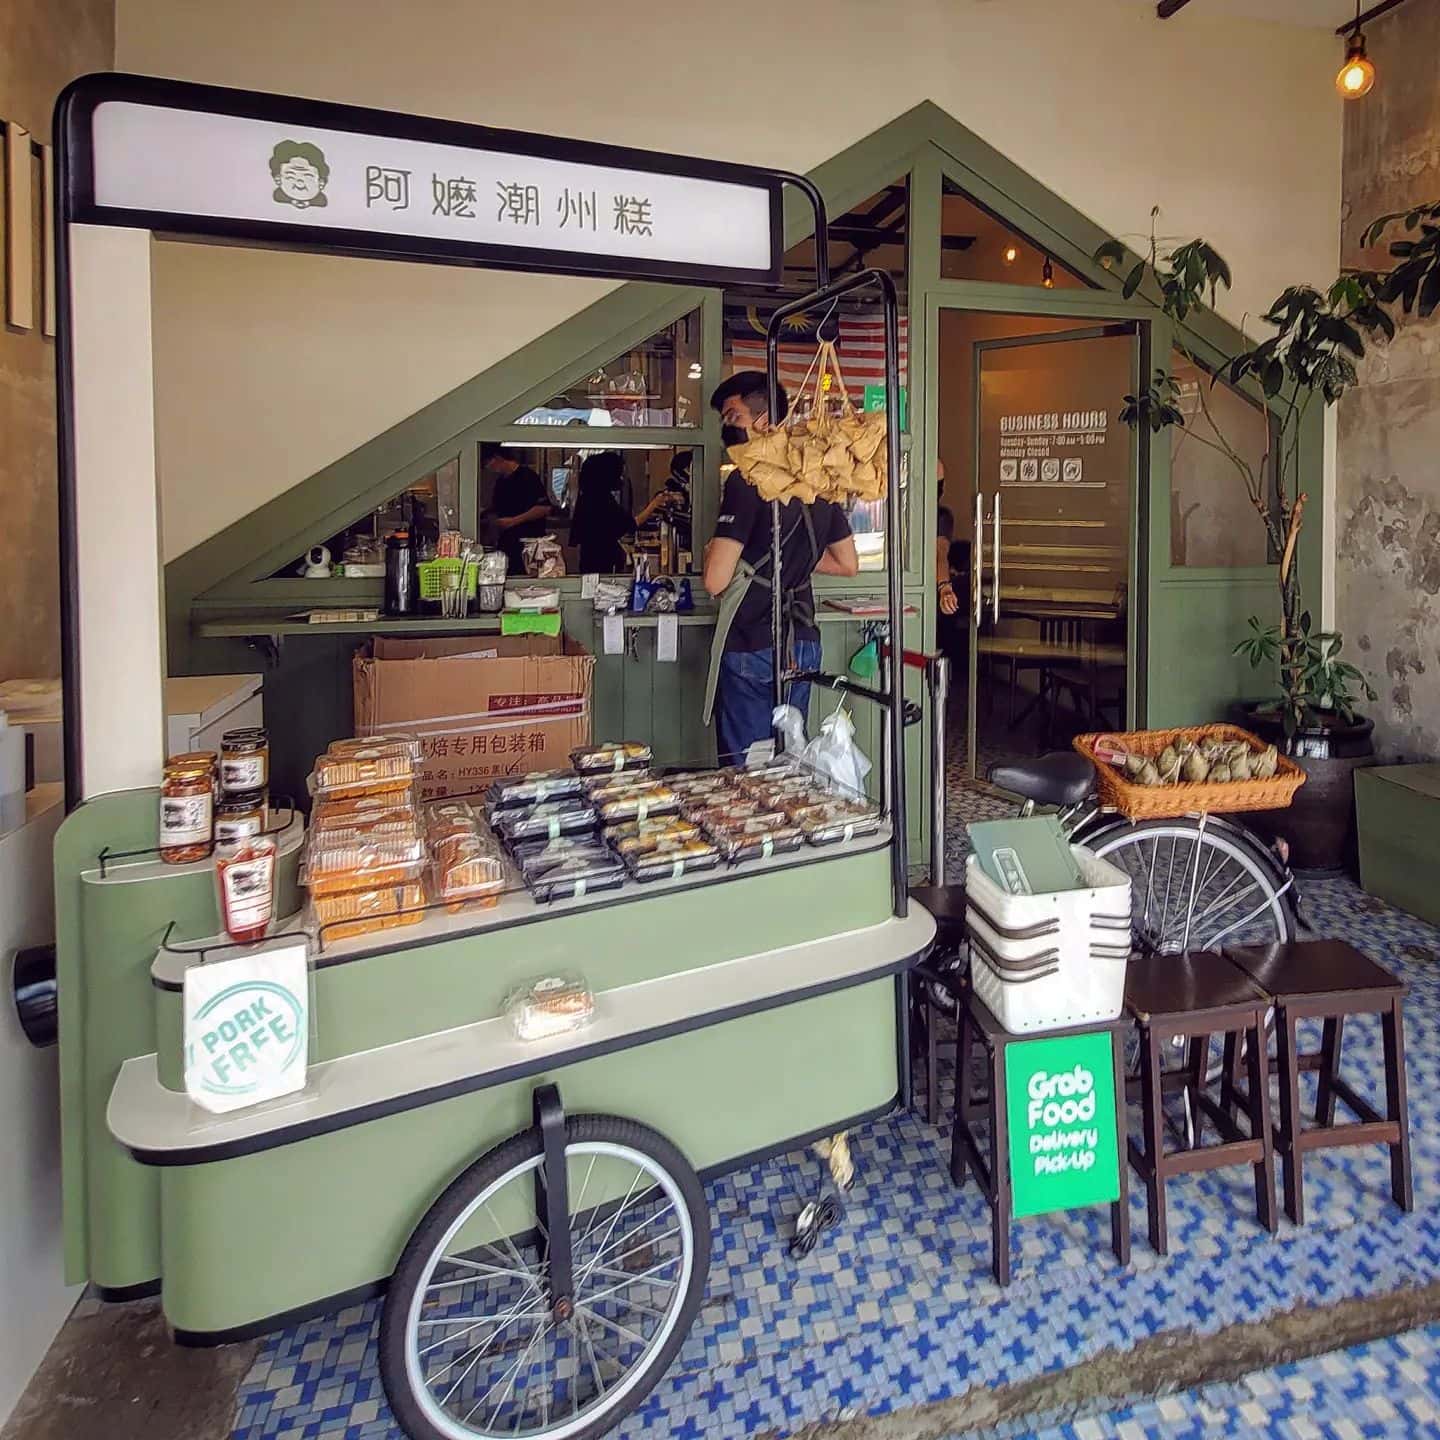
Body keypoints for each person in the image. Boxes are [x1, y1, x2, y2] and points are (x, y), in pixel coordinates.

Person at [702, 371, 859, 766]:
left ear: (765, 419)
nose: (727, 427)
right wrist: (791, 561)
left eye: (733, 416)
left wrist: (716, 554)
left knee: (747, 766)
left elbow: (715, 580)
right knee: (790, 757)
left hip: (752, 640)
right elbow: (847, 563)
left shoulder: (746, 481)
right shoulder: (818, 478)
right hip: (803, 641)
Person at [568, 450, 675, 573]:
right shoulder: (601, 500)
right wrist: (654, 504)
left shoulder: (588, 497)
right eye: (619, 474)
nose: (622, 479)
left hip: (590, 560)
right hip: (600, 564)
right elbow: (631, 524)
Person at [483, 446, 550, 576]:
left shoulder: (528, 477)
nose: (489, 468)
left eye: (488, 464)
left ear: (498, 458)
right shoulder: (501, 482)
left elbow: (544, 508)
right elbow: (497, 508)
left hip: (528, 544)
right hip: (506, 543)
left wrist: (513, 521)